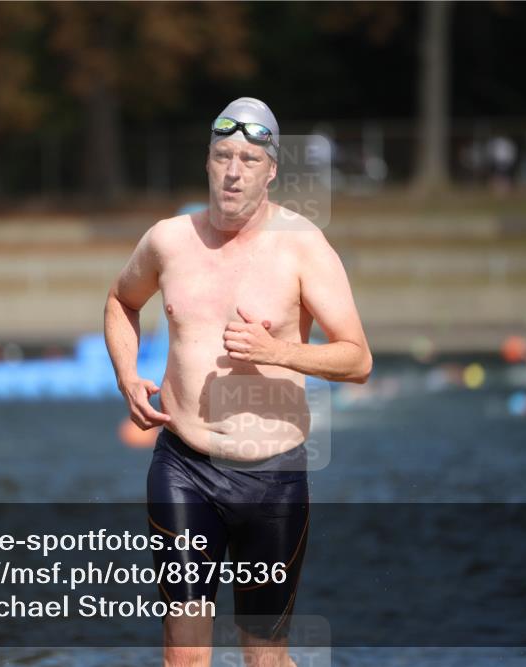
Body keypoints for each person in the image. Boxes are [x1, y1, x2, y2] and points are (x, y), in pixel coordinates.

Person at [104, 97, 372, 667]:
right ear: (207, 161)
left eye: (249, 160)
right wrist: (126, 375)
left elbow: (357, 360)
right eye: (223, 155)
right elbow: (121, 300)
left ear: (270, 171)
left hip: (272, 477)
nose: (233, 171)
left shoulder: (303, 246)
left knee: (264, 658)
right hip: (184, 467)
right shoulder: (168, 240)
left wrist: (278, 352)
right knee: (183, 657)